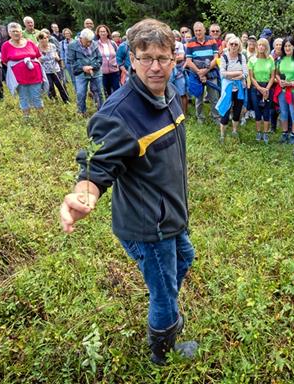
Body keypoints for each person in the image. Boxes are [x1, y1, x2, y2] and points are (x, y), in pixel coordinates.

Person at [59, 18, 198, 366]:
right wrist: (85, 193)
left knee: (185, 260)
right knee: (165, 295)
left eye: (163, 58)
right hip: (147, 225)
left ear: (174, 58)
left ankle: (162, 301)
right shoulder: (119, 114)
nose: (155, 66)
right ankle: (162, 353)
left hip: (171, 215)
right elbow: (96, 164)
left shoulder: (168, 95)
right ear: (131, 60)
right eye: (145, 57)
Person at [1, 22, 45, 117]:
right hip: (20, 78)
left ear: (21, 32)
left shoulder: (29, 42)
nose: (16, 33)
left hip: (35, 76)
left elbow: (38, 56)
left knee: (36, 96)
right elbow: (5, 61)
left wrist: (34, 64)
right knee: (23, 97)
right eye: (13, 31)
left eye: (18, 31)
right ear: (9, 33)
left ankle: (42, 118)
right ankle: (27, 118)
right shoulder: (6, 45)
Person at [185, 21, 220, 123]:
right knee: (198, 98)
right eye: (196, 31)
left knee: (214, 97)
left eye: (200, 30)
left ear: (204, 30)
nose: (198, 32)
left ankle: (216, 117)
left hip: (211, 72)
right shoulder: (190, 42)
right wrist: (199, 72)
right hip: (196, 74)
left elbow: (216, 59)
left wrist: (205, 71)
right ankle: (200, 118)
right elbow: (188, 61)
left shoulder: (212, 41)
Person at [216, 34, 247, 142]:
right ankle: (222, 135)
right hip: (227, 88)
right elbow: (223, 73)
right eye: (231, 44)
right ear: (228, 45)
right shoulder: (224, 57)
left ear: (239, 46)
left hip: (239, 89)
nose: (233, 46)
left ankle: (234, 131)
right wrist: (238, 73)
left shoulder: (241, 57)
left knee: (237, 110)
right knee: (225, 110)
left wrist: (233, 75)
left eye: (236, 44)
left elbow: (245, 73)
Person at [68, 28, 104, 115]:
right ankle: (81, 112)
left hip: (95, 72)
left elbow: (99, 59)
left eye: (90, 41)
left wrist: (92, 67)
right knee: (80, 93)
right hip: (81, 74)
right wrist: (83, 68)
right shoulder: (72, 46)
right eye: (87, 41)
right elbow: (71, 62)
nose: (89, 43)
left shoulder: (94, 44)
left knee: (99, 92)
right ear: (81, 38)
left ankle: (102, 111)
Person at [275, 35, 294, 143]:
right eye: (285, 46)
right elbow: (277, 73)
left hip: (293, 91)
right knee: (283, 112)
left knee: (293, 112)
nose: (287, 48)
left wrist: (291, 83)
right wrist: (280, 81)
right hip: (282, 91)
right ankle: (284, 132)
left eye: (289, 46)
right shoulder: (279, 59)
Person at [248, 38, 275, 142]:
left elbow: (272, 76)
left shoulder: (270, 59)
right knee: (257, 110)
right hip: (256, 87)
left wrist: (266, 89)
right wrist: (259, 88)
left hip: (267, 87)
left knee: (267, 111)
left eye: (263, 45)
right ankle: (258, 132)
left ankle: (265, 133)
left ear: (266, 47)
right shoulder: (252, 59)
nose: (261, 47)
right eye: (259, 45)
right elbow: (251, 77)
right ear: (256, 46)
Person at [37, 31, 69, 103]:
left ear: (48, 38)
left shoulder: (52, 46)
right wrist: (39, 60)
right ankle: (54, 101)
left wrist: (58, 59)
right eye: (41, 38)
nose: (43, 40)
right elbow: (36, 59)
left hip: (55, 69)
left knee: (60, 85)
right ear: (38, 39)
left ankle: (66, 100)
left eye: (45, 38)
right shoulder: (37, 47)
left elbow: (56, 55)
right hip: (45, 71)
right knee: (50, 86)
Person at [95, 25, 121, 97]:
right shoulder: (95, 44)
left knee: (117, 90)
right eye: (101, 31)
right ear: (98, 33)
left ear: (107, 33)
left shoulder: (112, 43)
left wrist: (118, 65)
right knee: (107, 92)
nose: (103, 33)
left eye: (104, 31)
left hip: (114, 71)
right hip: (102, 72)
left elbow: (118, 55)